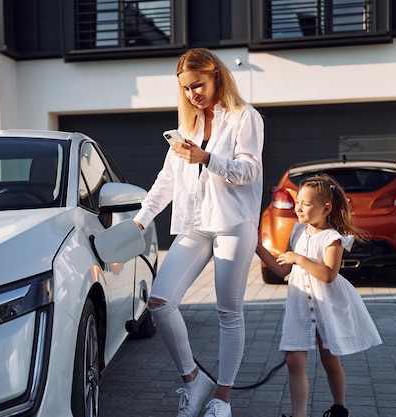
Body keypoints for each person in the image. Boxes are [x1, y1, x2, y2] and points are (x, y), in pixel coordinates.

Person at [133, 48, 264, 417]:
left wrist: (207, 159)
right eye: (187, 88)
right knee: (159, 301)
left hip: (234, 223)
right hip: (194, 224)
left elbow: (249, 171)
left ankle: (222, 399)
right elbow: (167, 180)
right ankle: (194, 380)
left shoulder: (245, 118)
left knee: (228, 311)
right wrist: (141, 220)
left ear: (217, 77)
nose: (193, 94)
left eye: (198, 85)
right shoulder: (187, 127)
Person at [255, 173, 382, 417]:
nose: (298, 207)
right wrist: (258, 247)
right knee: (294, 360)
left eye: (305, 203)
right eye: (298, 201)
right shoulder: (297, 231)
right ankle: (298, 415)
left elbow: (328, 275)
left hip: (327, 304)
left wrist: (299, 259)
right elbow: (283, 268)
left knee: (329, 359)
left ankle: (339, 408)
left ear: (325, 208)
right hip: (300, 304)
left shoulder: (332, 238)